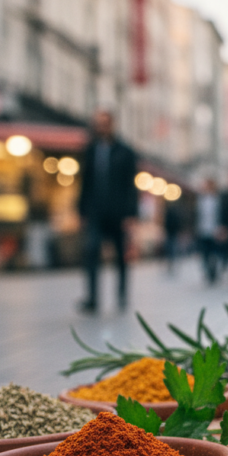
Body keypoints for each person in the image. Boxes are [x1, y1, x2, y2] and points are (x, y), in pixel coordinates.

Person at [77, 110, 138, 315]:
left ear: (112, 125)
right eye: (98, 123)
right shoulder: (91, 150)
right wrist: (82, 211)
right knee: (91, 250)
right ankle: (92, 298)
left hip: (119, 213)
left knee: (120, 255)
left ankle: (121, 293)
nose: (101, 127)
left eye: (105, 123)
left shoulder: (126, 152)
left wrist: (131, 214)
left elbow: (131, 186)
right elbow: (85, 183)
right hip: (95, 212)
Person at [195, 178, 222, 285]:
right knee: (204, 253)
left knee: (214, 253)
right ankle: (207, 272)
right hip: (202, 230)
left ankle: (214, 272)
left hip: (215, 231)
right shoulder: (200, 200)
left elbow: (221, 215)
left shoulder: (217, 200)